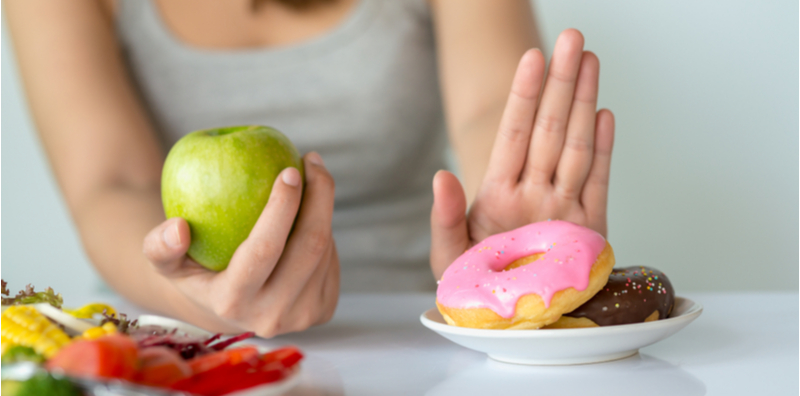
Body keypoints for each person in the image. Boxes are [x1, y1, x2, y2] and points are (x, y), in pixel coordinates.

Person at [6, 0, 614, 337]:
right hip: (173, 343)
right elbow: (110, 182)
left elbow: (490, 110)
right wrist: (196, 301)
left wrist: (508, 239)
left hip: (414, 338)